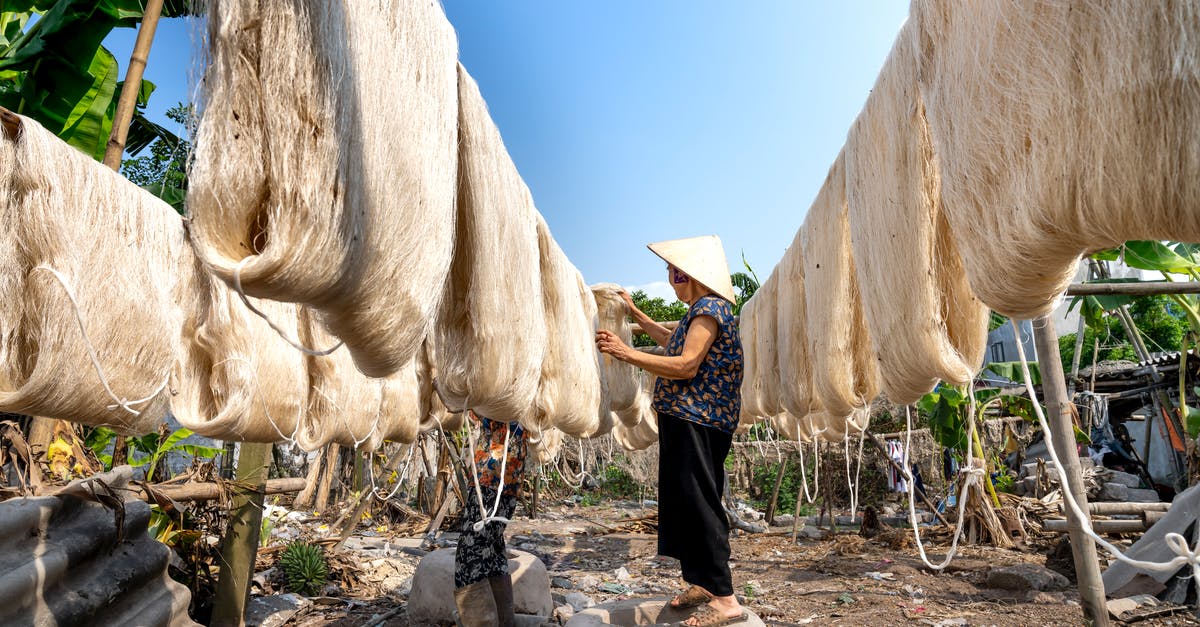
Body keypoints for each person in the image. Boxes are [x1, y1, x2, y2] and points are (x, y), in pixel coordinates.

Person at [595, 235, 747, 627]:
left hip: (700, 419)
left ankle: (726, 599)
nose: (669, 278)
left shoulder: (710, 309)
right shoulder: (700, 312)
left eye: (672, 272)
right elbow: (672, 340)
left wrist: (625, 352)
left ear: (688, 274)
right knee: (685, 501)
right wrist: (637, 314)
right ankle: (702, 582)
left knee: (700, 502)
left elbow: (686, 364)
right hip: (688, 419)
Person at [453, 410, 528, 627]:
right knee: (493, 555)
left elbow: (478, 410)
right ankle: (505, 623)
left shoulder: (502, 398)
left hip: (490, 481)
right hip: (508, 484)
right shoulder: (521, 400)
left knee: (469, 557)